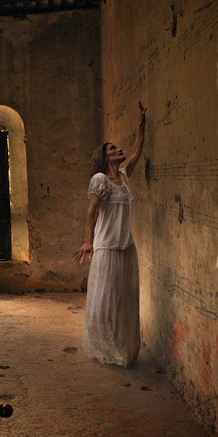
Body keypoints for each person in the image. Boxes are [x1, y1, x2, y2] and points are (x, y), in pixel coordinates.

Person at [73, 102, 147, 368]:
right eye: (112, 148)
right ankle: (105, 346)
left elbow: (137, 151)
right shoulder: (99, 180)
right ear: (105, 157)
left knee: (124, 299)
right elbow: (92, 211)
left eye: (117, 147)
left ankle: (122, 347)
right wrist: (88, 241)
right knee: (106, 299)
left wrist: (142, 124)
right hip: (106, 248)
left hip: (126, 247)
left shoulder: (124, 177)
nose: (118, 149)